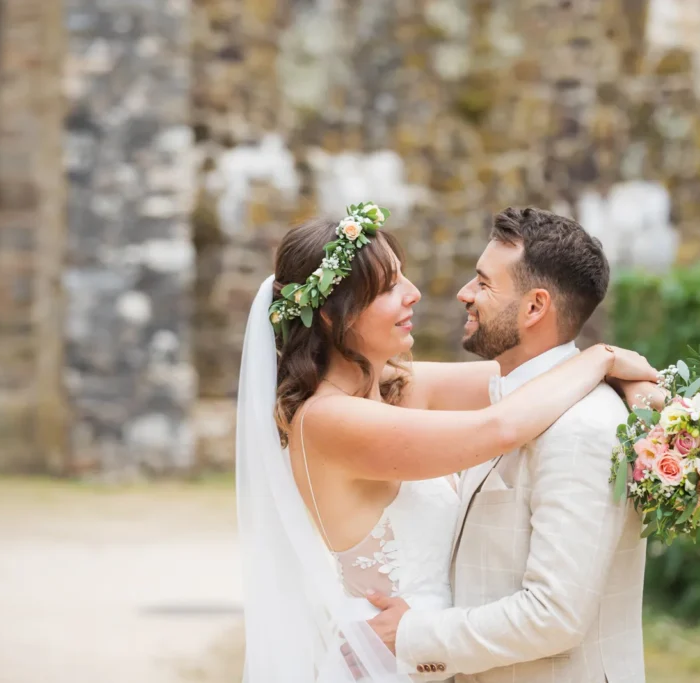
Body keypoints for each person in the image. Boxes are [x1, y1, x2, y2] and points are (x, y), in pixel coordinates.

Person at [236, 202, 660, 683]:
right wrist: (601, 359)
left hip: (440, 658)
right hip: (384, 662)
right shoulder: (327, 421)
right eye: (389, 288)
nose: (414, 294)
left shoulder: (401, 387)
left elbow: (527, 376)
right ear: (334, 317)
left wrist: (641, 388)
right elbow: (498, 426)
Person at [365, 207, 656, 682]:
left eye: (483, 283)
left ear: (535, 307)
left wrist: (414, 636)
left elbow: (554, 615)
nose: (465, 293)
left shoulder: (581, 428)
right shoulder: (514, 399)